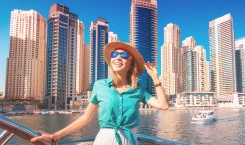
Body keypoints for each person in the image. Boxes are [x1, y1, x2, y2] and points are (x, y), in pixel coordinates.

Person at [31, 42, 169, 145]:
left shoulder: (137, 89)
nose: (118, 57)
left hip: (129, 140)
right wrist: (54, 136)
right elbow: (86, 118)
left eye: (124, 55)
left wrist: (155, 78)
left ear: (131, 63)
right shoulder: (100, 85)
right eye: (115, 54)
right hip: (104, 140)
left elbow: (163, 106)